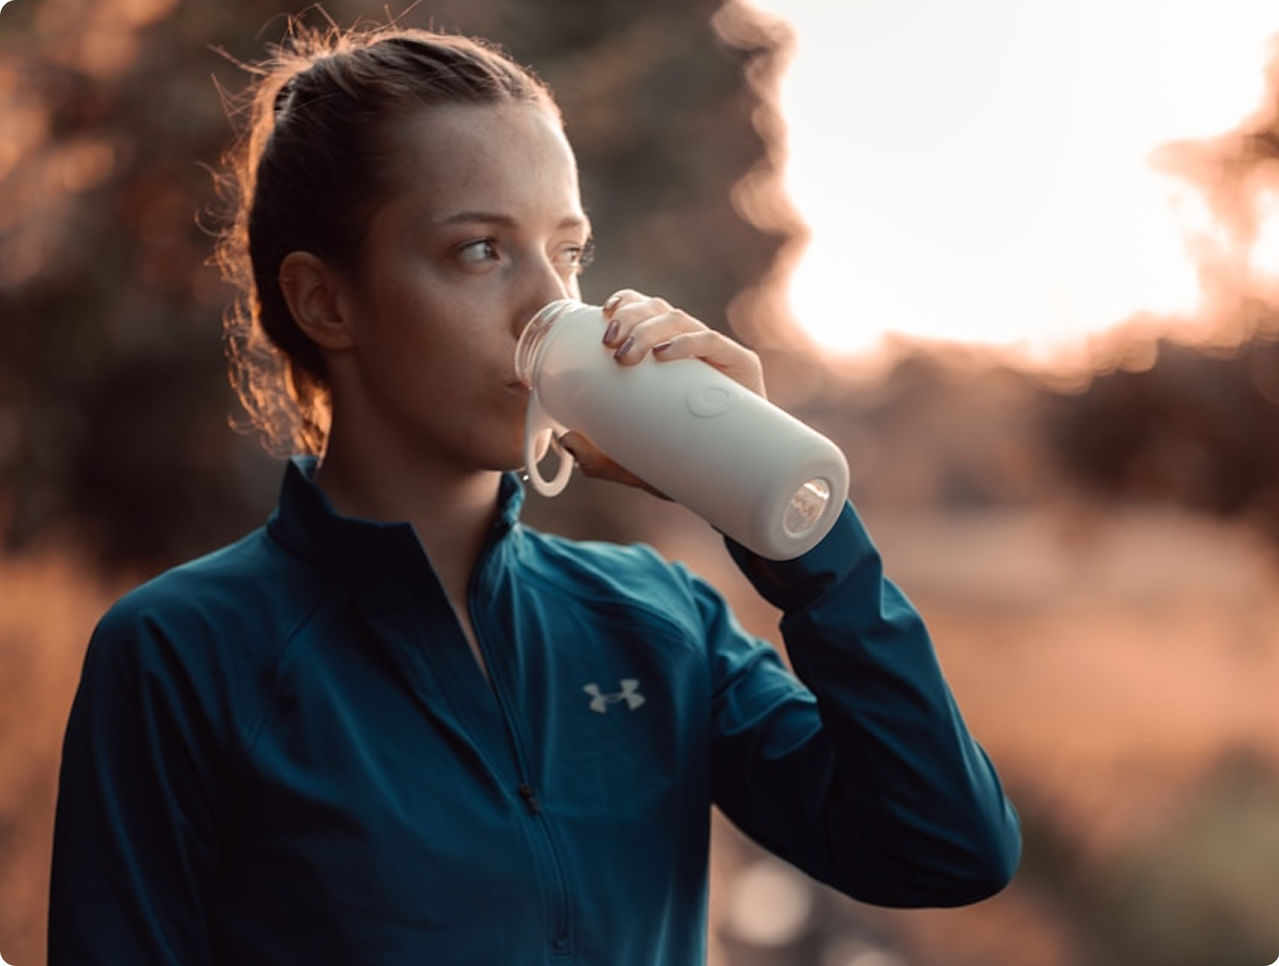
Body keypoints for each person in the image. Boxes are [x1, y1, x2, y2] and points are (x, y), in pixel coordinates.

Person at [48, 19, 1021, 966]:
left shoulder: (656, 621)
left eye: (570, 254)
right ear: (324, 300)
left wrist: (780, 518)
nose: (551, 308)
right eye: (481, 250)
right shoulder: (181, 654)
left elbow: (944, 849)